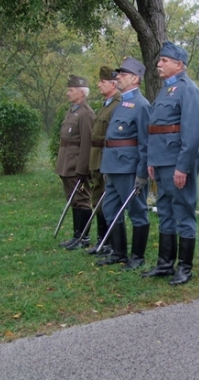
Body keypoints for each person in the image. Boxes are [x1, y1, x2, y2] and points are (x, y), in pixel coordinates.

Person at [141, 41, 199, 285]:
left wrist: (183, 166)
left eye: (164, 60)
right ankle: (165, 264)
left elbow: (193, 132)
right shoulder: (165, 90)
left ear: (179, 65)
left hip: (177, 163)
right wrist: (151, 160)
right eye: (160, 60)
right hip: (161, 162)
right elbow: (156, 129)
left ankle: (185, 268)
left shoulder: (188, 90)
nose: (159, 64)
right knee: (165, 211)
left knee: (184, 211)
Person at [97, 57, 151, 270]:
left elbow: (145, 143)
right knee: (110, 208)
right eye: (119, 74)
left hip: (129, 168)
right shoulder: (120, 103)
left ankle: (137, 257)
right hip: (113, 166)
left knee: (137, 211)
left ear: (135, 78)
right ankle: (119, 253)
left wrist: (142, 173)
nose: (118, 77)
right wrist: (106, 165)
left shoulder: (141, 105)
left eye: (123, 74)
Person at [84, 66, 122, 257]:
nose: (99, 84)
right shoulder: (106, 105)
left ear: (113, 84)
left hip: (107, 156)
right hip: (97, 155)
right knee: (98, 196)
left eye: (103, 81)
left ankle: (110, 241)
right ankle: (102, 240)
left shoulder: (118, 104)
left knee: (108, 200)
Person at [56, 75, 95, 250]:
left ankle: (83, 237)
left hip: (76, 163)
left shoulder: (86, 113)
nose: (67, 93)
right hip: (66, 161)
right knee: (73, 200)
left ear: (81, 93)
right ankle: (76, 235)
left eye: (71, 90)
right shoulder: (73, 111)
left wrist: (83, 168)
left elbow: (87, 143)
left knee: (82, 199)